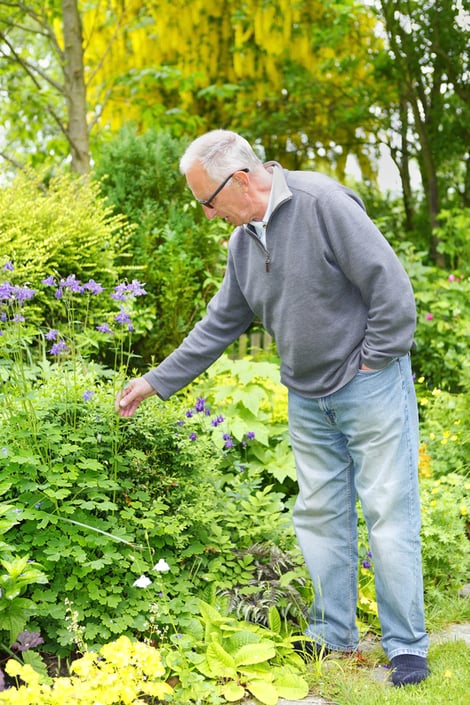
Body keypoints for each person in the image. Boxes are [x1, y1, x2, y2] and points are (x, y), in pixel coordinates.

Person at [116, 129, 430, 687]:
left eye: (207, 202)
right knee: (321, 516)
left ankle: (406, 646)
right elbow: (220, 324)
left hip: (369, 386)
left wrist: (372, 362)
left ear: (238, 180)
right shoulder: (244, 242)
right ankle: (334, 635)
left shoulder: (323, 204)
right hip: (308, 398)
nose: (209, 216)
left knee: (388, 513)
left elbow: (392, 292)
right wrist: (155, 382)